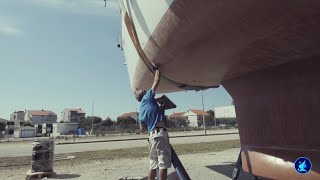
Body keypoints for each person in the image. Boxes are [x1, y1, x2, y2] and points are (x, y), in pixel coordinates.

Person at [135, 68, 171, 180]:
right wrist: (158, 69)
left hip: (151, 136)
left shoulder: (141, 110)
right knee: (163, 164)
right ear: (143, 94)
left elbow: (142, 129)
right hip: (160, 134)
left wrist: (161, 109)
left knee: (153, 164)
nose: (145, 90)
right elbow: (156, 81)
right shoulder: (148, 97)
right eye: (143, 90)